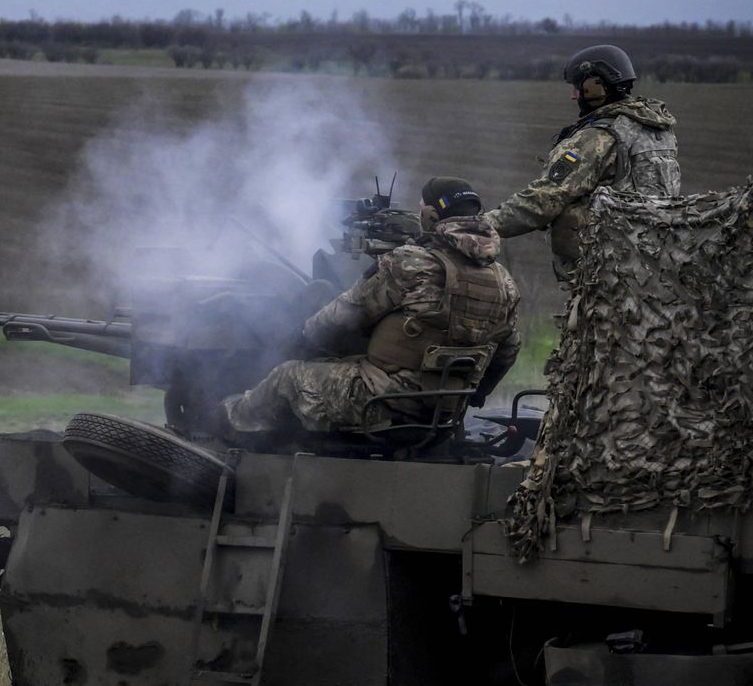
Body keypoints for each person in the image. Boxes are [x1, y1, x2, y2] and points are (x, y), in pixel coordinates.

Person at [221, 177, 521, 437]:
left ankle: (228, 426)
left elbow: (344, 315)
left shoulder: (409, 264)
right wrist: (476, 394)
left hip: (381, 403)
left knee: (285, 377)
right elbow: (508, 350)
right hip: (442, 412)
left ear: (431, 216)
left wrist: (302, 339)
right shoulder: (504, 282)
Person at [484, 44, 680, 278]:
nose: (574, 95)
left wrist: (482, 224)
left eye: (578, 86)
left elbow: (544, 198)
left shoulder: (597, 137)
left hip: (607, 268)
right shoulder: (656, 130)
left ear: (596, 85)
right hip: (655, 260)